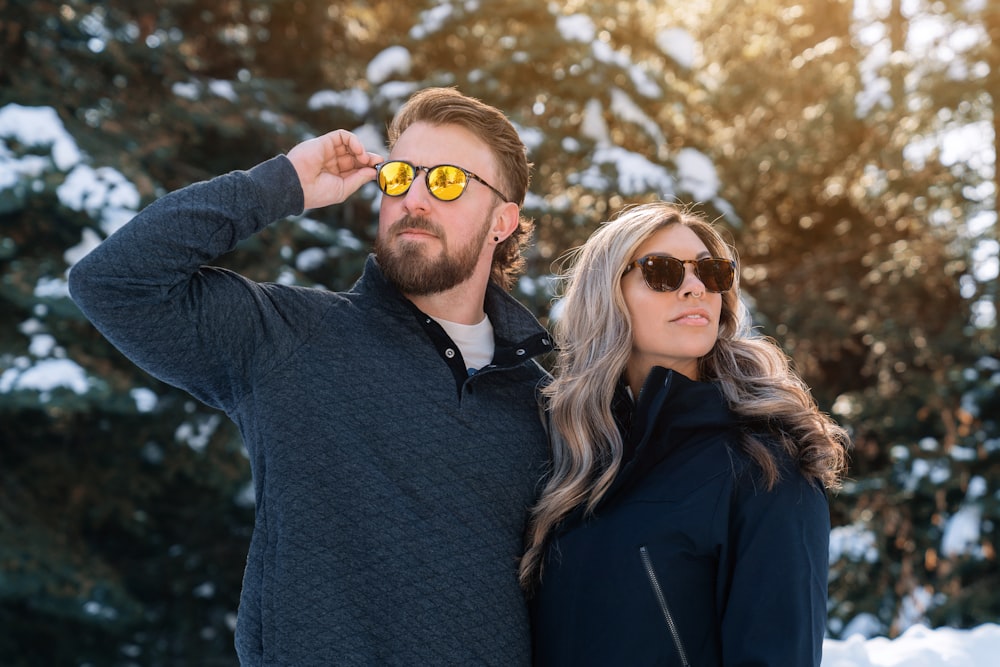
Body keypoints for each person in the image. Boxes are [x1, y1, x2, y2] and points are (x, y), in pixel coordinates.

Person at [68, 87, 554, 665]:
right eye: (399, 176)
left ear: (502, 220)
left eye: (446, 180)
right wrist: (283, 184)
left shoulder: (548, 405)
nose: (414, 198)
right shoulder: (291, 338)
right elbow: (115, 284)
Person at [520, 202, 850, 666]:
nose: (695, 287)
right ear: (606, 293)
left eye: (712, 272)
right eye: (663, 271)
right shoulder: (572, 459)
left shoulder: (765, 465)